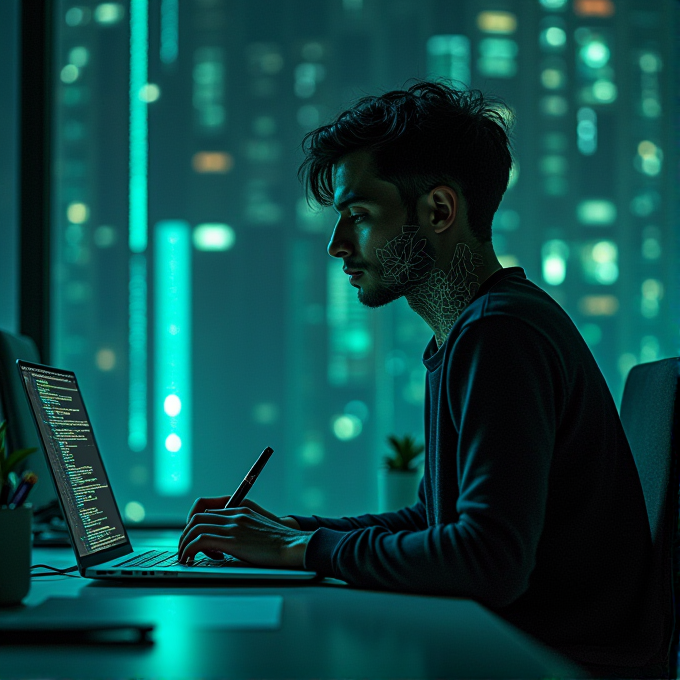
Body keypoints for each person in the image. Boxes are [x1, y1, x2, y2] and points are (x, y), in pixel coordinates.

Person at [177, 80, 669, 677]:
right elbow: (434, 523)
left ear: (439, 210)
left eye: (358, 215)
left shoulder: (499, 335)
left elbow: (488, 559)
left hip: (553, 664)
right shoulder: (474, 331)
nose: (337, 245)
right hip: (519, 650)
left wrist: (297, 549)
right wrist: (287, 530)